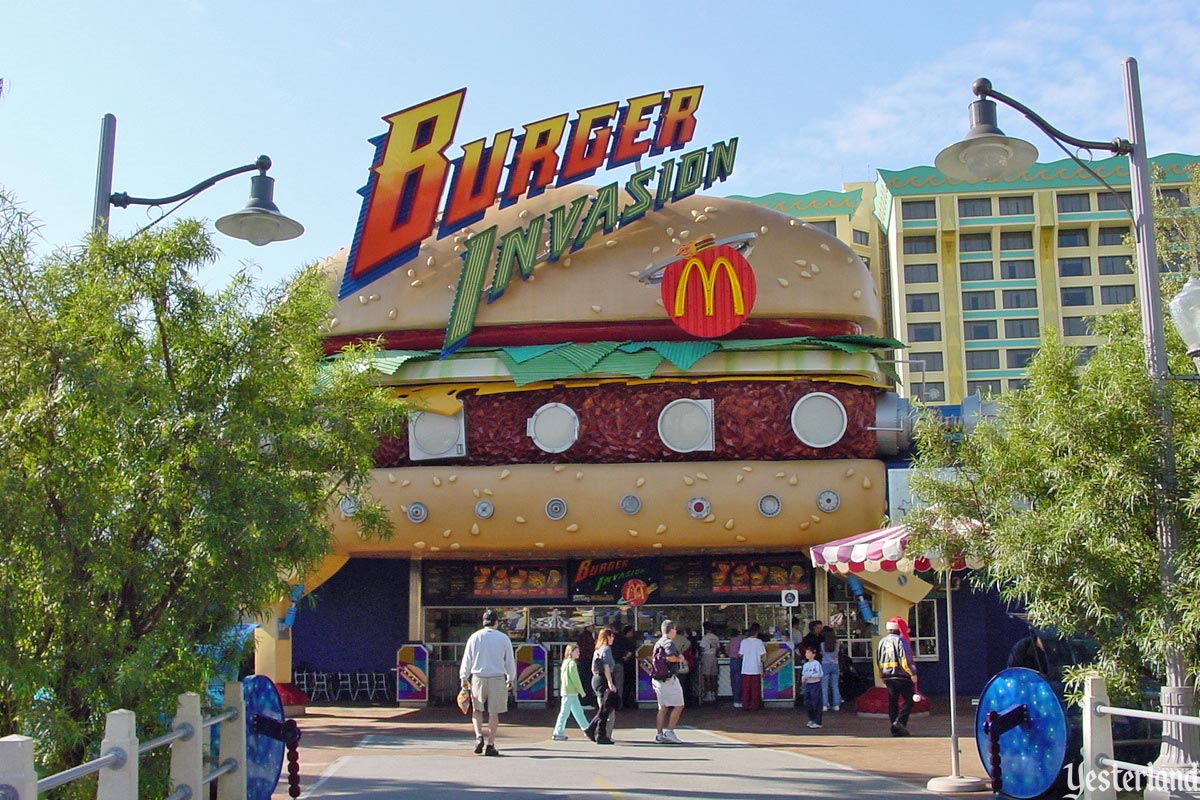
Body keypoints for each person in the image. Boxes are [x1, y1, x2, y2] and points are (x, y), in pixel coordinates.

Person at [459, 609, 517, 756]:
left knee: (477, 710)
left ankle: (479, 736)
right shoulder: (503, 638)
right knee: (494, 713)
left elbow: (467, 659)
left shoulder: (474, 637)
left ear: (483, 622)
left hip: (477, 677)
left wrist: (464, 677)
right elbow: (509, 660)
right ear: (496, 622)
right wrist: (511, 677)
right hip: (497, 677)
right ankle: (490, 744)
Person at [877, 616, 919, 737]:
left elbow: (878, 659)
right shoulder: (901, 640)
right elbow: (905, 659)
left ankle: (895, 727)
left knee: (893, 702)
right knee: (909, 701)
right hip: (902, 676)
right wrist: (912, 673)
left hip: (888, 676)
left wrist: (881, 674)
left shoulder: (882, 642)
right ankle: (899, 723)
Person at [651, 619, 687, 743]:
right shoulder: (668, 643)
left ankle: (659, 734)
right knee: (679, 705)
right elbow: (670, 657)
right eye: (675, 629)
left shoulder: (658, 642)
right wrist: (679, 659)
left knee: (663, 707)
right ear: (671, 630)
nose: (676, 631)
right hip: (668, 679)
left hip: (657, 679)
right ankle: (670, 731)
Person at [583, 627, 619, 744]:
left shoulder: (597, 650)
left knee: (604, 708)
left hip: (597, 679)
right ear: (607, 637)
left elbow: (594, 667)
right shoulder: (606, 649)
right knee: (606, 709)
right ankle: (601, 734)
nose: (613, 638)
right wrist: (610, 682)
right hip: (603, 679)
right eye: (611, 636)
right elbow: (606, 666)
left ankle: (593, 729)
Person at [551, 643, 590, 740]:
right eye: (576, 651)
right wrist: (582, 691)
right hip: (571, 691)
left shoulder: (565, 662)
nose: (578, 653)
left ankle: (588, 729)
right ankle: (558, 732)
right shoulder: (572, 664)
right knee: (565, 712)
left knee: (578, 712)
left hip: (567, 691)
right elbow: (575, 679)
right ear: (570, 653)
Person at [739, 622, 767, 710]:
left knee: (746, 689)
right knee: (755, 689)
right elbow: (763, 655)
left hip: (745, 668)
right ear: (757, 633)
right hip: (756, 668)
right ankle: (754, 705)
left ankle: (745, 705)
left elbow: (740, 655)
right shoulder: (759, 642)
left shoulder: (744, 642)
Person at [801, 646, 824, 728]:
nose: (807, 654)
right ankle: (812, 719)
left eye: (809, 652)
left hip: (815, 684)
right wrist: (803, 678)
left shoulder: (816, 663)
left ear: (813, 654)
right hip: (808, 684)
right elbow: (803, 674)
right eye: (806, 653)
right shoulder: (805, 665)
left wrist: (810, 676)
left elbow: (820, 674)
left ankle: (818, 721)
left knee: (816, 702)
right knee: (808, 702)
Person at [820, 628, 842, 711]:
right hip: (835, 665)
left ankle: (824, 705)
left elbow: (822, 654)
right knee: (835, 686)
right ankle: (836, 705)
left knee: (824, 686)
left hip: (825, 664)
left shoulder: (822, 644)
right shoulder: (837, 644)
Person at [576, 623, 596, 708]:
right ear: (588, 627)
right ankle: (585, 702)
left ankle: (584, 701)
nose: (594, 628)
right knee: (587, 682)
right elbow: (588, 649)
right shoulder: (587, 637)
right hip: (586, 662)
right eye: (592, 626)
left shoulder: (583, 636)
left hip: (583, 661)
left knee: (585, 681)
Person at [699, 622, 720, 703]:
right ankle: (713, 694)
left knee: (707, 676)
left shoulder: (705, 638)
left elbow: (701, 648)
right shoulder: (716, 637)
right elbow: (718, 648)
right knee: (713, 676)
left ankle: (708, 694)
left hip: (707, 656)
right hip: (714, 656)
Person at [622, 626, 640, 708]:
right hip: (630, 665)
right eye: (632, 632)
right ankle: (628, 702)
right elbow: (631, 651)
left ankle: (625, 701)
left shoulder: (621, 640)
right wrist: (627, 657)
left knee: (625, 684)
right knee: (629, 684)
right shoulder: (630, 641)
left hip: (625, 665)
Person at [727, 627, 744, 708]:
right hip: (738, 660)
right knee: (738, 681)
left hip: (732, 660)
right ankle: (738, 700)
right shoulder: (741, 640)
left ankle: (735, 699)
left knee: (733, 681)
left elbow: (726, 649)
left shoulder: (731, 641)